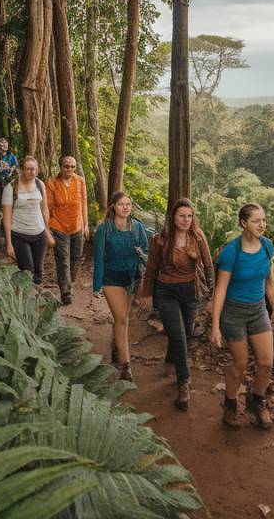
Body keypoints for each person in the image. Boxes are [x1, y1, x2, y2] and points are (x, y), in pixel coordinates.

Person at [138, 199, 215, 411]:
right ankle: (184, 383)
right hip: (166, 292)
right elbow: (152, 268)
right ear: (173, 217)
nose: (186, 220)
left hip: (190, 291)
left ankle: (172, 355)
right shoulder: (161, 240)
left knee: (186, 331)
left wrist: (213, 295)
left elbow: (209, 266)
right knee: (180, 337)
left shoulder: (198, 237)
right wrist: (146, 294)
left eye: (189, 216)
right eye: (182, 216)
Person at [210, 203, 274, 429]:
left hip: (258, 309)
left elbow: (269, 284)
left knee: (266, 362)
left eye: (263, 220)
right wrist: (215, 326)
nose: (262, 225)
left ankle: (257, 401)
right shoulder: (232, 251)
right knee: (240, 364)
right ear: (243, 223)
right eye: (256, 221)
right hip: (234, 312)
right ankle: (231, 404)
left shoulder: (268, 246)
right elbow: (220, 290)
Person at [92, 191, 149, 382]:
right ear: (113, 207)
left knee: (124, 320)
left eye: (128, 204)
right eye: (121, 204)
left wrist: (141, 254)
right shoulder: (104, 229)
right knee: (122, 319)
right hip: (111, 279)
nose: (125, 207)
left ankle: (116, 347)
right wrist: (96, 286)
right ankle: (126, 367)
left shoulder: (137, 227)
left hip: (132, 279)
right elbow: (99, 257)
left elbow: (147, 253)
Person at [1, 156, 55, 285]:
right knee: (27, 270)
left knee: (38, 272)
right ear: (21, 170)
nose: (32, 172)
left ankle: (34, 300)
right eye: (28, 169)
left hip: (39, 234)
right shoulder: (10, 187)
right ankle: (23, 298)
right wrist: (9, 244)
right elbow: (7, 218)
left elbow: (44, 210)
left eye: (34, 169)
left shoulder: (40, 185)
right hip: (19, 235)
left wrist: (47, 232)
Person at [46, 155, 89, 306]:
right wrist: (47, 230)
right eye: (66, 166)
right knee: (63, 260)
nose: (69, 169)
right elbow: (48, 208)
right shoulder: (51, 184)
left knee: (76, 257)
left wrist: (86, 224)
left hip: (77, 225)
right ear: (60, 167)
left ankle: (69, 285)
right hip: (58, 226)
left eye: (72, 166)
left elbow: (83, 203)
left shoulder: (80, 181)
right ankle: (66, 292)